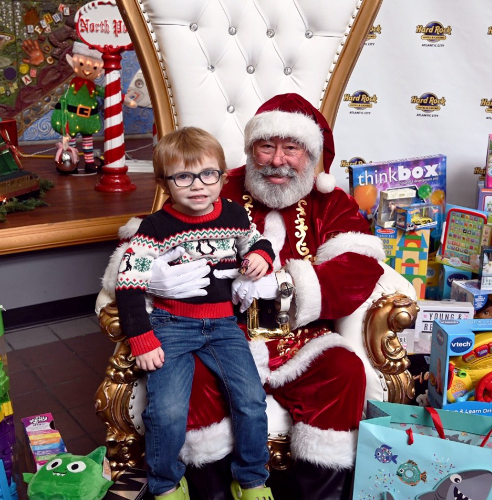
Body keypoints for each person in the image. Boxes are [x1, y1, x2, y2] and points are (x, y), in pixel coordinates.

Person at [103, 93, 386, 500]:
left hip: (301, 338)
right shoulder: (213, 183)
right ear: (251, 149)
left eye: (292, 149)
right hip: (216, 330)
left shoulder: (331, 202)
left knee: (343, 370)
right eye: (266, 146)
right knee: (190, 384)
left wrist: (283, 285)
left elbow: (359, 268)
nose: (276, 160)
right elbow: (136, 250)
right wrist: (155, 278)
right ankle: (212, 491)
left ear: (313, 155)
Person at [114, 127, 276, 500]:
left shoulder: (234, 214)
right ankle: (166, 483)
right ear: (164, 182)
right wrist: (142, 337)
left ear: (222, 174)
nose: (198, 185)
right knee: (167, 411)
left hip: (223, 324)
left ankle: (251, 479)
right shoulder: (154, 228)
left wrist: (259, 257)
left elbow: (257, 242)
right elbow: (128, 284)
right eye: (183, 177)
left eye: (209, 174)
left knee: (251, 400)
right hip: (172, 325)